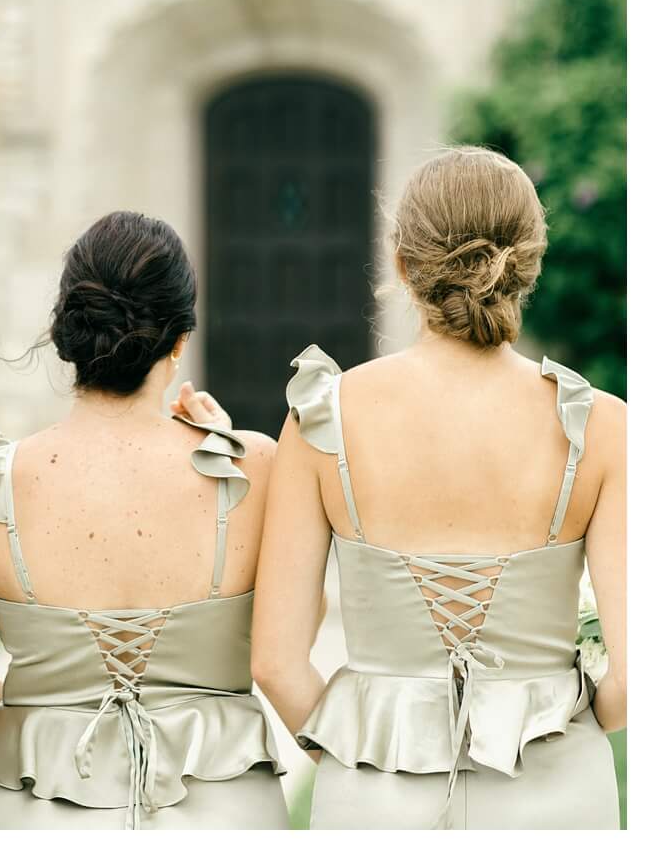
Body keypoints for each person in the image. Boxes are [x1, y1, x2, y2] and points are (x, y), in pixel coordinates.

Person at [252, 146, 624, 829]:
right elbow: (636, 677)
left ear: (400, 264)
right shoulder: (603, 426)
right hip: (559, 789)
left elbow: (276, 661)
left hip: (373, 791)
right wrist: (551, 727)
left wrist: (355, 748)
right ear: (529, 263)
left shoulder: (323, 416)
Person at [0, 210, 289, 829]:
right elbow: (292, 636)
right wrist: (226, 441)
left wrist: (58, 721)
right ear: (181, 337)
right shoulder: (259, 470)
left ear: (66, 334)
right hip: (221, 809)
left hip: (41, 810)